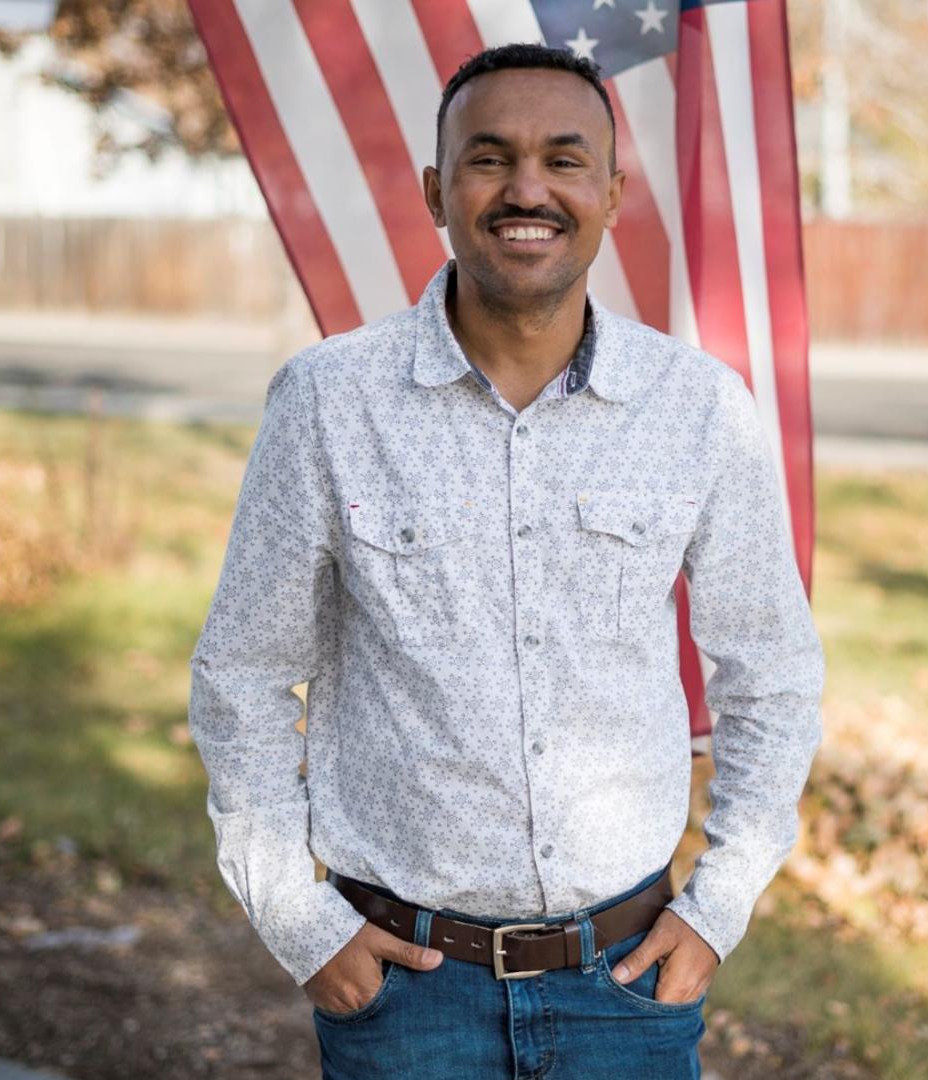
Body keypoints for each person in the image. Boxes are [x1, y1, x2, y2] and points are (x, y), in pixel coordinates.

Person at [188, 42, 824, 1079]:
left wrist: (720, 907)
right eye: (490, 158)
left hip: (629, 983)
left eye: (565, 160)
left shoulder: (699, 410)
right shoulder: (328, 402)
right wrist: (301, 925)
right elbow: (244, 673)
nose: (528, 189)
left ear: (612, 194)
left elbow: (773, 673)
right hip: (404, 993)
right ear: (439, 191)